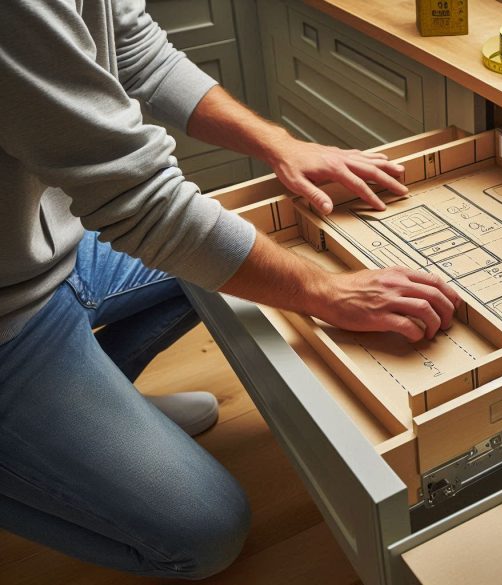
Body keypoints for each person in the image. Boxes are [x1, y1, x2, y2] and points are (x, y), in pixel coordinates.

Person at [0, 0, 461, 579]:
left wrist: (279, 144)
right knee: (205, 534)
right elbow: (139, 204)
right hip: (6, 323)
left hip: (51, 249)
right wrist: (327, 293)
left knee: (235, 253)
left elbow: (140, 51)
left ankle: (90, 401)